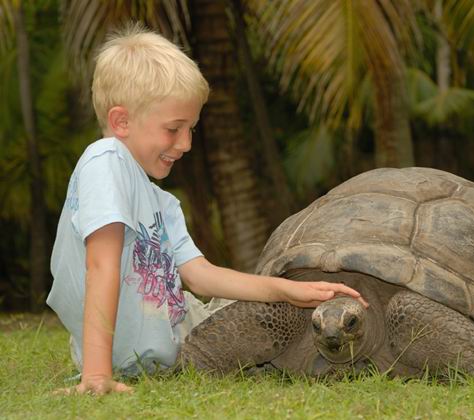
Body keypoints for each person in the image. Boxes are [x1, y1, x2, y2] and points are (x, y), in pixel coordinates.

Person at [46, 24, 366, 396]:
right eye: (174, 128)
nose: (185, 143)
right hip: (138, 349)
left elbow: (200, 277)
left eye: (191, 129)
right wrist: (97, 375)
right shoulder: (105, 161)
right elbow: (100, 264)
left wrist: (286, 288)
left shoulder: (163, 204)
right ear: (121, 122)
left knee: (282, 308)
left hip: (184, 334)